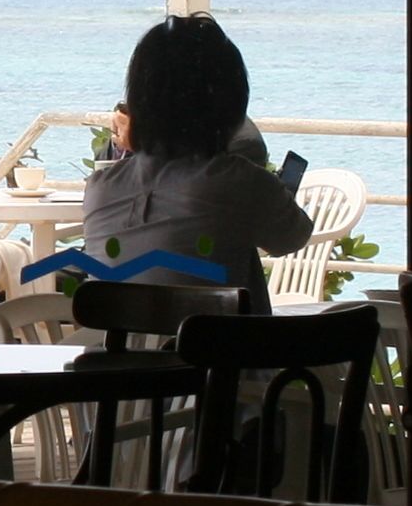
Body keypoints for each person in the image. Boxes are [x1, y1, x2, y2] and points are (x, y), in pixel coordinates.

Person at [81, 15, 313, 304]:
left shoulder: (100, 187)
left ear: (138, 101)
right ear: (231, 103)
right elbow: (292, 237)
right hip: (213, 347)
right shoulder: (238, 181)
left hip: (119, 346)